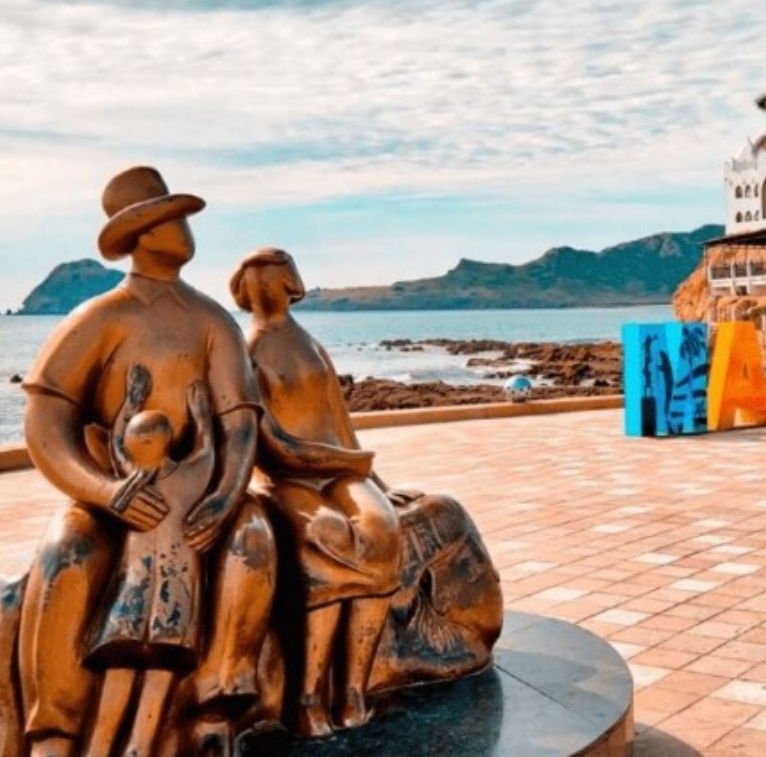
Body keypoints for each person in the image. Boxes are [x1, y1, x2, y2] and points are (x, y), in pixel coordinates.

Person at [20, 167, 277, 757]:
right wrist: (104, 492)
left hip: (196, 494)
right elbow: (45, 423)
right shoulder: (98, 318)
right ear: (141, 232)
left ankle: (215, 705)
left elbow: (240, 422)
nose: (185, 229)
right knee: (68, 553)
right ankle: (54, 730)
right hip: (112, 494)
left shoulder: (213, 320)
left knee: (252, 539)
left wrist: (227, 492)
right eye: (171, 218)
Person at [230, 248, 502, 737]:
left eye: (275, 275)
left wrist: (376, 483)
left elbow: (342, 424)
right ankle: (310, 695)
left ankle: (354, 687)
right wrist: (346, 463)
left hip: (344, 473)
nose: (266, 285)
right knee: (329, 535)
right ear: (244, 288)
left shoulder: (311, 345)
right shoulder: (245, 350)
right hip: (288, 481)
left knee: (382, 528)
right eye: (256, 277)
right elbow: (269, 441)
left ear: (290, 282)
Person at [86, 372, 216, 757]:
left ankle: (103, 746)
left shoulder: (130, 480)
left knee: (121, 668)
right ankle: (136, 747)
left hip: (133, 601)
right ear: (168, 441)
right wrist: (201, 413)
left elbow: (115, 442)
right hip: (171, 603)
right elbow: (208, 445)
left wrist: (132, 401)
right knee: (156, 672)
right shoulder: (192, 476)